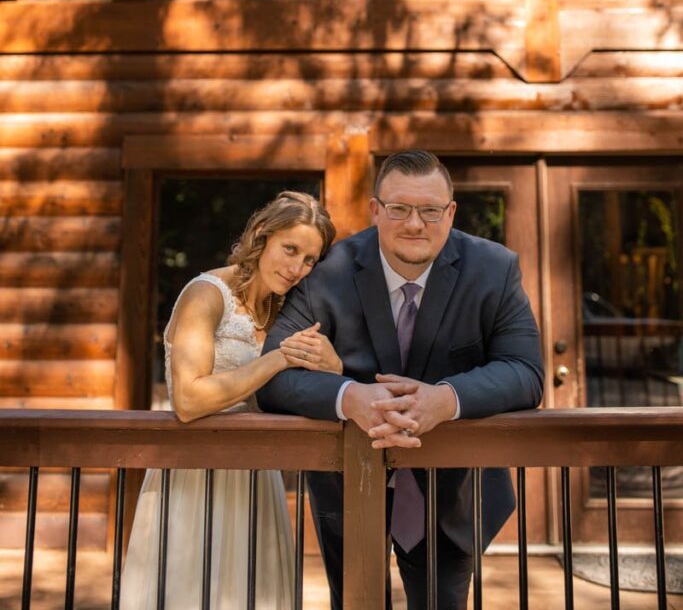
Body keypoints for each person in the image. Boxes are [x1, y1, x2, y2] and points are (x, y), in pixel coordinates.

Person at [258, 150, 544, 610]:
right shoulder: (327, 272)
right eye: (399, 209)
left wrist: (446, 399)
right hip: (349, 485)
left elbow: (525, 372)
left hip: (453, 490)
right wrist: (350, 397)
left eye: (430, 210)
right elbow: (272, 377)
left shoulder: (493, 269)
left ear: (450, 213)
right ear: (376, 210)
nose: (415, 223)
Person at [120, 190, 339, 610]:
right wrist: (277, 358)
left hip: (257, 477)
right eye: (290, 249)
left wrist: (334, 365)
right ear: (262, 234)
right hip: (194, 477)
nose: (297, 268)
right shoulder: (206, 295)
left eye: (309, 260)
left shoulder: (287, 311)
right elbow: (187, 399)